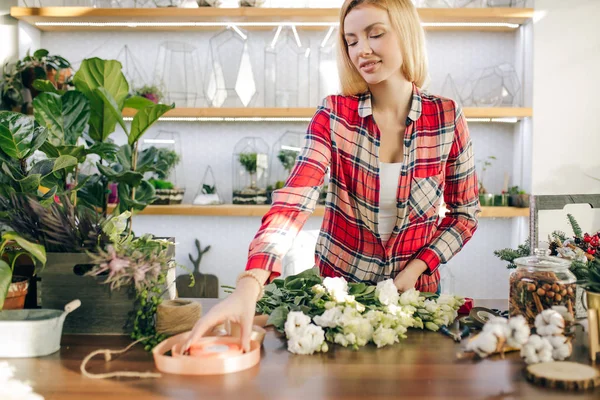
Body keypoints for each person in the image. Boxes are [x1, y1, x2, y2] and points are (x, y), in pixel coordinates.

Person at [183, 0, 480, 353]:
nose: (362, 50)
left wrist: (417, 268)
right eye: (351, 40)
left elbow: (465, 216)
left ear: (406, 33)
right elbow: (295, 200)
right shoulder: (334, 115)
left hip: (418, 299)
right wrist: (250, 283)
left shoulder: (445, 116)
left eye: (375, 34)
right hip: (339, 302)